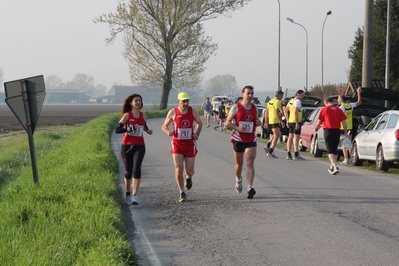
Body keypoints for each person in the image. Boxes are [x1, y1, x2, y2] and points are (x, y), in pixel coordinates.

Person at [161, 92, 203, 202]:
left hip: (189, 144)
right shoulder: (172, 112)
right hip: (177, 144)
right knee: (178, 168)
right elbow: (164, 126)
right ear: (178, 101)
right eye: (183, 101)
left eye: (187, 101)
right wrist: (168, 132)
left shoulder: (192, 111)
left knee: (190, 171)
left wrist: (197, 134)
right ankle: (181, 192)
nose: (185, 103)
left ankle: (188, 178)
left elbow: (200, 123)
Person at [115, 94, 153, 205]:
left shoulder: (143, 115)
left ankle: (135, 196)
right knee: (128, 171)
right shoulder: (127, 115)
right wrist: (130, 128)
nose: (138, 102)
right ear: (131, 103)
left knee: (137, 169)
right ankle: (127, 193)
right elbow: (117, 129)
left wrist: (147, 130)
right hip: (127, 146)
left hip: (140, 146)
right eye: (136, 101)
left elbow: (143, 125)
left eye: (140, 101)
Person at [225, 85, 262, 199]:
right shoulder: (236, 107)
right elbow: (227, 123)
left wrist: (258, 122)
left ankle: (250, 187)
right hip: (238, 138)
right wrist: (237, 128)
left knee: (250, 162)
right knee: (239, 165)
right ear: (243, 94)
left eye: (252, 93)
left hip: (251, 137)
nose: (250, 95)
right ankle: (238, 179)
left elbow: (256, 121)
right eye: (248, 93)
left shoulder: (254, 107)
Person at [314, 97, 348, 175]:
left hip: (328, 131)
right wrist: (345, 132)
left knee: (329, 150)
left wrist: (316, 128)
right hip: (337, 131)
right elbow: (344, 122)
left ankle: (335, 165)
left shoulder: (324, 109)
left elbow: (319, 121)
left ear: (326, 102)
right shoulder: (339, 110)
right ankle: (332, 166)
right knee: (334, 150)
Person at [338, 87, 362, 164]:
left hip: (343, 127)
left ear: (341, 100)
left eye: (338, 99)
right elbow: (359, 102)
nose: (337, 100)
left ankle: (346, 159)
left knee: (344, 144)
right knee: (349, 144)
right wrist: (359, 93)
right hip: (350, 127)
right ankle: (352, 159)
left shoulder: (341, 108)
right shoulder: (350, 105)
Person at [284, 90, 306, 160]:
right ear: (298, 94)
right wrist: (297, 122)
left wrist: (287, 120)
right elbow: (296, 111)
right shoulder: (298, 101)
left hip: (290, 121)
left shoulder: (291, 101)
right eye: (302, 95)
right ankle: (296, 154)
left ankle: (288, 153)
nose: (303, 96)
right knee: (296, 137)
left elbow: (285, 110)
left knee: (290, 137)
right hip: (296, 121)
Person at [264, 90, 285, 158]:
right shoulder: (277, 102)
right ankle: (271, 151)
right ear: (279, 95)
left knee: (274, 134)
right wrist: (281, 121)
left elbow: (266, 112)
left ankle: (267, 146)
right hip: (275, 120)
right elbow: (276, 112)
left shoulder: (271, 101)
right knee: (276, 136)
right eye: (282, 96)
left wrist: (266, 121)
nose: (282, 97)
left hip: (270, 120)